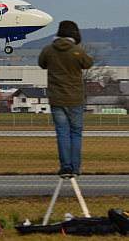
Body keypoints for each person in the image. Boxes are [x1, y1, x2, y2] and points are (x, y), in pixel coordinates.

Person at [38, 20, 93, 178]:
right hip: (75, 99)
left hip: (57, 99)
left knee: (62, 133)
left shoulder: (48, 50)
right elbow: (88, 63)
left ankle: (65, 167)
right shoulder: (77, 51)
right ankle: (75, 168)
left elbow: (42, 64)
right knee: (75, 134)